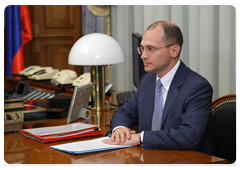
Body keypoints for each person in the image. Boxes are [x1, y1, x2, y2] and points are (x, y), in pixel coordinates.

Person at [102, 21, 213, 155]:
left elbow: (189, 136)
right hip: (149, 159)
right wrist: (119, 129)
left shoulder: (197, 87)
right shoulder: (148, 80)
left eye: (151, 49)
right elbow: (125, 112)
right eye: (142, 49)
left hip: (184, 161)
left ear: (174, 50)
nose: (143, 56)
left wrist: (140, 138)